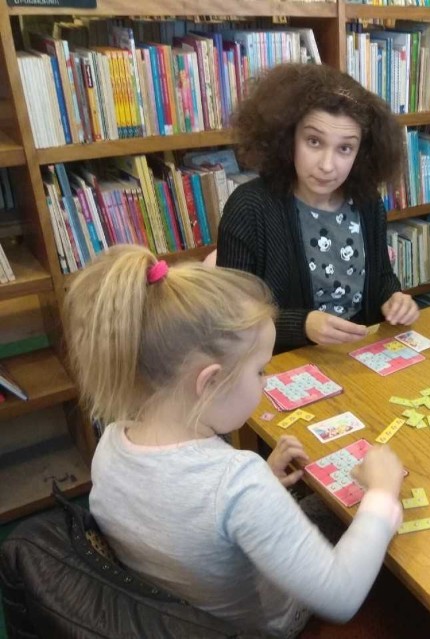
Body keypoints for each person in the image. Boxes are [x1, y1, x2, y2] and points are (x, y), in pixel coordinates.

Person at [64, 245, 406, 637]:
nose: (267, 381)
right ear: (209, 382)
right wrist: (382, 494)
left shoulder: (110, 443)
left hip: (181, 612)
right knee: (342, 515)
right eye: (260, 370)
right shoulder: (236, 483)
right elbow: (342, 596)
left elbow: (183, 510)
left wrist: (261, 479)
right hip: (261, 624)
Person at [217, 63, 419, 353]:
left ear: (361, 152)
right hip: (279, 362)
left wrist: (394, 298)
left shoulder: (367, 202)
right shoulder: (249, 208)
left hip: (356, 355)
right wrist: (303, 325)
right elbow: (230, 316)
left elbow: (381, 278)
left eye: (344, 148)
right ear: (288, 139)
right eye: (314, 141)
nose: (327, 165)